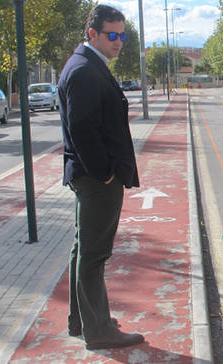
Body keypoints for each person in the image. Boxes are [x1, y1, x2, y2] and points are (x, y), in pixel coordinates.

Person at [59, 4, 144, 350]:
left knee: (84, 250)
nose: (119, 41)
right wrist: (105, 172)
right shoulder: (83, 70)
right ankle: (99, 332)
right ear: (92, 34)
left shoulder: (89, 65)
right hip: (96, 181)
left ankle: (84, 320)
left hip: (92, 178)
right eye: (113, 35)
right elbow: (82, 129)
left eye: (122, 35)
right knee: (94, 255)